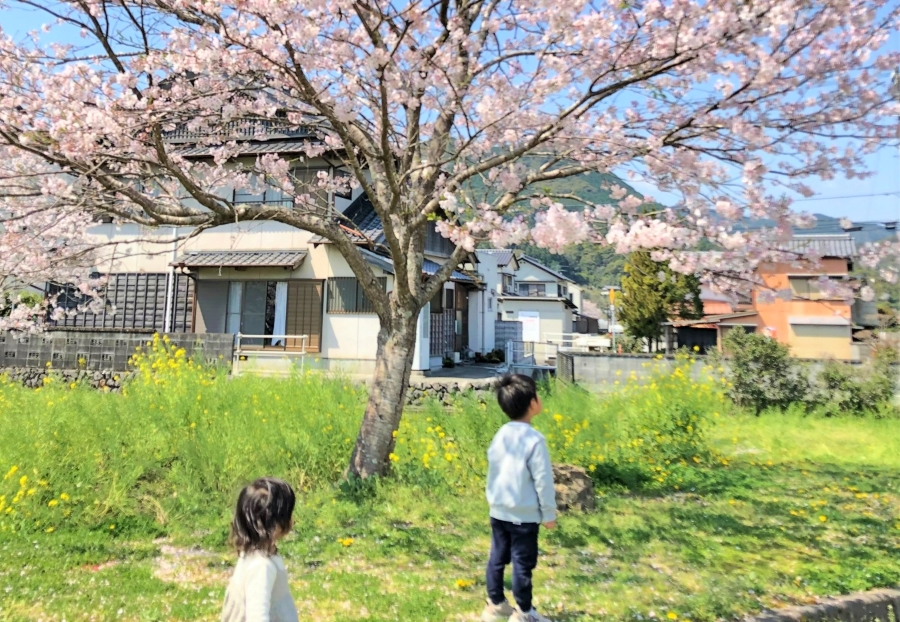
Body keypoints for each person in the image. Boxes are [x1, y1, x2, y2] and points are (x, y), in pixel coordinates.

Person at [481, 374, 557, 622]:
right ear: (533, 403)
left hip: (498, 510)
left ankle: (495, 604)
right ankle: (524, 613)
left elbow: (494, 468)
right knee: (523, 564)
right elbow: (543, 481)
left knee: (498, 557)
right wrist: (548, 514)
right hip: (523, 516)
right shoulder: (534, 440)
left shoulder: (501, 434)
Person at [221, 477, 299, 622]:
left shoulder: (253, 554)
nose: (292, 519)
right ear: (274, 523)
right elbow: (257, 616)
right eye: (288, 513)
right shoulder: (262, 567)